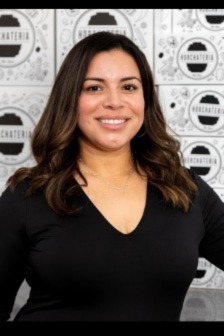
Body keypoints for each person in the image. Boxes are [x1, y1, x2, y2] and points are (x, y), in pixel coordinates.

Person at [0, 31, 224, 322]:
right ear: (70, 99)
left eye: (129, 87)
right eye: (94, 88)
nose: (114, 101)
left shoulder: (187, 191)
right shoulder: (27, 196)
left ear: (145, 99)